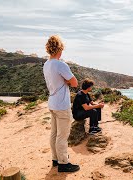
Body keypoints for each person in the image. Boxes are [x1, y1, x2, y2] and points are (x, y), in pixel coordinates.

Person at [43, 35, 80, 173]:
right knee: (62, 136)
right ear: (60, 49)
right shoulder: (60, 64)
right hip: (61, 105)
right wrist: (66, 81)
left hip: (52, 103)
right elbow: (75, 83)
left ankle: (55, 159)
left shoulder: (46, 65)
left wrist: (64, 81)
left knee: (54, 133)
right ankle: (63, 163)